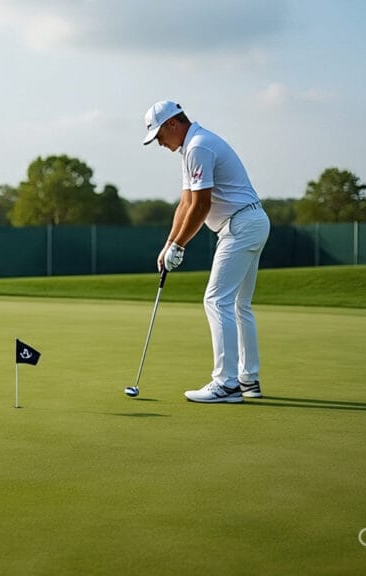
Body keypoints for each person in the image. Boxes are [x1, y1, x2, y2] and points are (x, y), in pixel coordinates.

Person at [142, 100, 270, 403]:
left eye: (159, 135)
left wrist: (180, 246)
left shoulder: (199, 146)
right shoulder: (192, 148)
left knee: (216, 300)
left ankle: (226, 384)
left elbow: (202, 205)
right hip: (250, 221)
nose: (159, 143)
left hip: (240, 225)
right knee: (240, 305)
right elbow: (186, 203)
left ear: (173, 123)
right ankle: (247, 380)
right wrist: (169, 244)